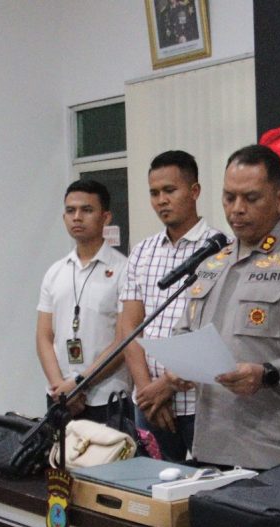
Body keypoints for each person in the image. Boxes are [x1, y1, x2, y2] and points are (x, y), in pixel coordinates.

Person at [173, 144, 280, 469]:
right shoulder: (212, 264)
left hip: (276, 449)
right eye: (229, 197)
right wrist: (179, 363)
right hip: (211, 445)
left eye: (251, 198)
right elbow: (186, 330)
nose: (237, 209)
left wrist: (268, 373)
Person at [120, 150, 223, 462]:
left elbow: (218, 332)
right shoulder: (142, 251)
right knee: (152, 486)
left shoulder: (221, 250)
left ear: (194, 191)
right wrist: (147, 391)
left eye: (170, 190)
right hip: (148, 401)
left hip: (202, 402)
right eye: (154, 193)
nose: (161, 200)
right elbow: (130, 325)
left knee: (209, 484)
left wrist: (166, 385)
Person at [36, 180, 130, 422]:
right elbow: (44, 337)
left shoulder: (124, 270)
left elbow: (123, 340)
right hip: (60, 396)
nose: (77, 217)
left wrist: (80, 383)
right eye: (70, 210)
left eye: (86, 210)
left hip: (107, 397)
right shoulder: (55, 272)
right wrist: (60, 387)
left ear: (106, 217)